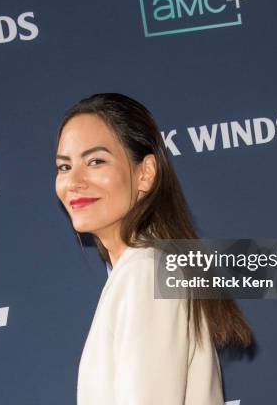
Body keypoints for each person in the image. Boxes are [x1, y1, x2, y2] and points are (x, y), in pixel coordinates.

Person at [54, 93, 253, 404]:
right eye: (64, 167)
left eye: (95, 161)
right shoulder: (146, 268)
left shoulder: (145, 272)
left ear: (144, 173)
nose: (74, 181)